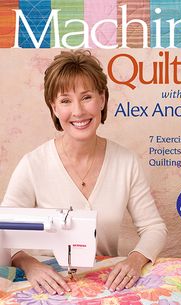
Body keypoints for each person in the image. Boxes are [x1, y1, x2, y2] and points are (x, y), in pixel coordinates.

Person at [1, 50, 167, 295]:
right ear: (54, 108)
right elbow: (5, 229)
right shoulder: (33, 164)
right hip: (45, 284)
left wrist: (134, 260)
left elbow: (154, 227)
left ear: (102, 99)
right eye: (66, 100)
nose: (78, 111)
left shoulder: (126, 162)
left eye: (86, 97)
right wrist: (30, 264)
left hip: (106, 285)